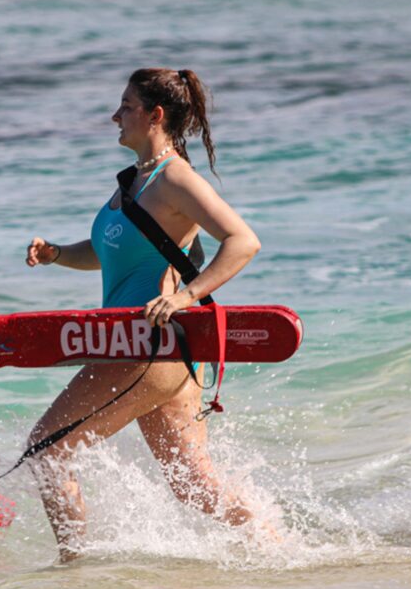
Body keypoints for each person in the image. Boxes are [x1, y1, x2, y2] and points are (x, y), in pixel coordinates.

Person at [25, 68, 263, 561]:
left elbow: (243, 240)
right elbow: (108, 251)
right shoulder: (135, 180)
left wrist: (186, 296)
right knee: (196, 488)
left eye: (126, 106)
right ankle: (281, 551)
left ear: (155, 115)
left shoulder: (175, 178)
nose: (115, 116)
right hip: (156, 353)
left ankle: (73, 571)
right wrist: (57, 254)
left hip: (145, 349)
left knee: (48, 451)